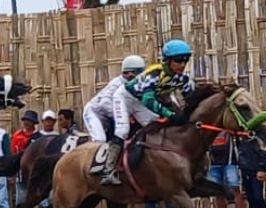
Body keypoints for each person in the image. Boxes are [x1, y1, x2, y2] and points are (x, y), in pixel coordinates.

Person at [83, 55, 146, 185]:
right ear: (128, 73)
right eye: (139, 73)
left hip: (109, 117)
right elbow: (104, 104)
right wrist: (124, 115)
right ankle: (103, 170)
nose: (141, 77)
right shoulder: (116, 84)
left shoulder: (133, 85)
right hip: (94, 113)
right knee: (99, 140)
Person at [120, 40, 196, 131]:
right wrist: (169, 114)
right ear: (167, 61)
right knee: (122, 130)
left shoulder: (183, 78)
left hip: (142, 99)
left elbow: (191, 98)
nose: (183, 65)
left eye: (186, 60)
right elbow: (148, 100)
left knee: (155, 126)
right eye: (178, 60)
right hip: (126, 97)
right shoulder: (154, 74)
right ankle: (114, 144)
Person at [208, 130, 245, 208]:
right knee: (217, 192)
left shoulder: (229, 128)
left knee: (235, 189)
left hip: (230, 163)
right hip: (213, 164)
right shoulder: (208, 126)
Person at [239, 136, 266, 208]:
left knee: (258, 197)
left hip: (257, 171)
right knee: (251, 199)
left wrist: (261, 169)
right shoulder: (239, 138)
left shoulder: (259, 137)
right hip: (245, 171)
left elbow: (265, 153)